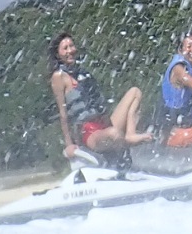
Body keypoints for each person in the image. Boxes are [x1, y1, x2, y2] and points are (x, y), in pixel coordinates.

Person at [49, 32, 151, 161]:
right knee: (114, 133)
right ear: (58, 55)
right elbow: (63, 114)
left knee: (135, 92)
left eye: (72, 46)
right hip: (87, 132)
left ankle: (130, 134)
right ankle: (124, 142)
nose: (70, 50)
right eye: (65, 48)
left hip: (104, 124)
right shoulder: (58, 77)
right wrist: (69, 145)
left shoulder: (83, 73)